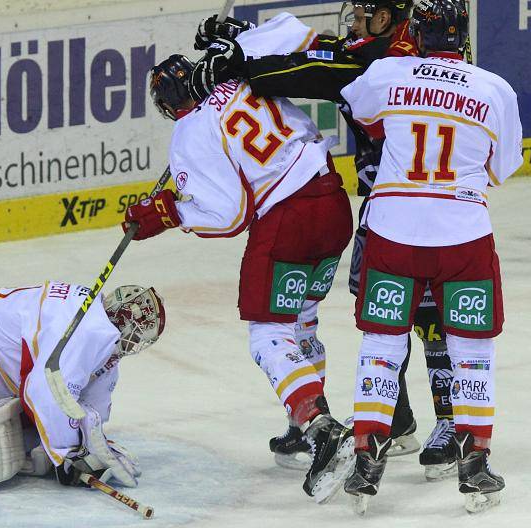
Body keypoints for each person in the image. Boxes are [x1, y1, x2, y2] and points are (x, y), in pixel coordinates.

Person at [189, 1, 458, 478]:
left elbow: (312, 71)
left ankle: (452, 425)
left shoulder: (386, 63)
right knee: (386, 312)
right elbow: (324, 52)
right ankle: (398, 421)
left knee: (426, 312)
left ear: (386, 19)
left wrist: (241, 63)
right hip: (390, 204)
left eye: (362, 15)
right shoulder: (387, 48)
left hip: (423, 206)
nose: (352, 23)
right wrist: (243, 40)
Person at [133, 15, 353, 502]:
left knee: (269, 334)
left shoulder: (189, 132)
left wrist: (169, 213)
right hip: (334, 204)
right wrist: (239, 36)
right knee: (302, 321)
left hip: (289, 220)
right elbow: (293, 31)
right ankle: (300, 428)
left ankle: (321, 429)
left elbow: (230, 215)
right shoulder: (241, 73)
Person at [338, 0, 521, 514]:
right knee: (472, 349)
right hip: (462, 235)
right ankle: (475, 461)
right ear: (463, 36)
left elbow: (361, 113)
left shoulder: (388, 72)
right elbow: (501, 169)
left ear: (415, 34)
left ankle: (367, 456)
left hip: (392, 231)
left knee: (381, 342)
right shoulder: (495, 88)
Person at [0, 282, 164, 489]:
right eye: (137, 336)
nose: (134, 343)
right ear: (127, 325)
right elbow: (43, 393)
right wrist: (67, 455)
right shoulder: (86, 330)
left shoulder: (98, 324)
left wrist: (91, 443)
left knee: (23, 441)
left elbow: (90, 403)